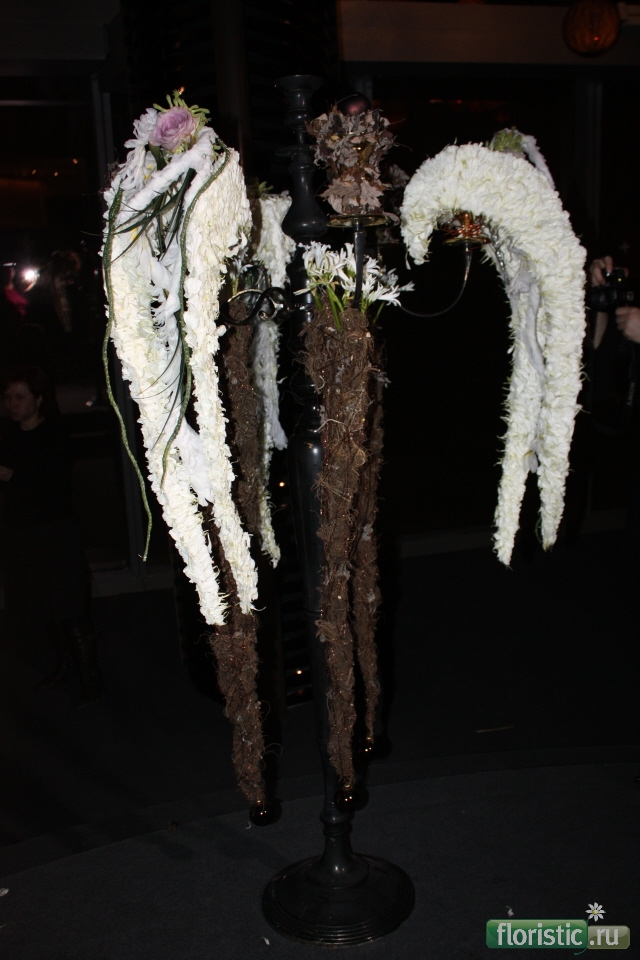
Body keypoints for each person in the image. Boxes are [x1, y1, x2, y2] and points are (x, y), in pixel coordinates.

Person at [0, 366, 105, 706]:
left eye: (19, 397)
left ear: (38, 399)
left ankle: (90, 676)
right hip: (21, 533)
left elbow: (53, 485)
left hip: (54, 533)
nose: (12, 403)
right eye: (8, 397)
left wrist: (13, 477)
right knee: (42, 604)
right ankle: (65, 665)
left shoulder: (54, 435)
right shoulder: (8, 435)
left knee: (68, 605)